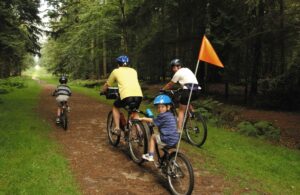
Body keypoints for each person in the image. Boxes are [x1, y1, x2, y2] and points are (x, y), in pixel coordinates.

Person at [101, 55, 143, 135]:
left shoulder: (116, 71)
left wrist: (103, 90)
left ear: (118, 64)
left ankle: (117, 128)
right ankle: (140, 131)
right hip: (139, 95)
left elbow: (108, 84)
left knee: (115, 107)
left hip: (126, 95)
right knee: (134, 111)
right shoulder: (134, 71)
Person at [162, 59, 201, 131]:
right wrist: (181, 88)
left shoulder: (178, 73)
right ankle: (192, 114)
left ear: (179, 66)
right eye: (172, 67)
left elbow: (170, 84)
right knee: (187, 101)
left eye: (174, 67)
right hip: (197, 90)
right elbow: (188, 81)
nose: (173, 69)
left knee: (181, 111)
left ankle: (179, 130)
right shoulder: (187, 70)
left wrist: (162, 89)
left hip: (188, 90)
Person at [139, 94, 179, 162]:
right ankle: (167, 160)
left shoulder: (162, 116)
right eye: (158, 107)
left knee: (153, 137)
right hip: (175, 138)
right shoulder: (171, 115)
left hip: (167, 139)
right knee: (166, 147)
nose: (160, 109)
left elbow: (153, 121)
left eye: (162, 107)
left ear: (168, 107)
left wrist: (143, 118)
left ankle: (150, 155)